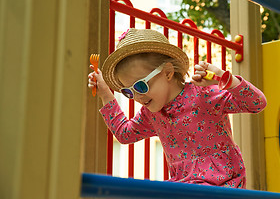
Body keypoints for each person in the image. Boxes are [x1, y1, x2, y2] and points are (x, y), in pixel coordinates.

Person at [88, 28, 267, 189]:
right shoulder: (151, 114)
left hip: (224, 184)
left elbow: (257, 103)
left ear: (167, 72)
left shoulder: (203, 94)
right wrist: (105, 93)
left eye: (141, 86)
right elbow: (124, 134)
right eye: (129, 92)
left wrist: (223, 78)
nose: (138, 97)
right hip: (184, 187)